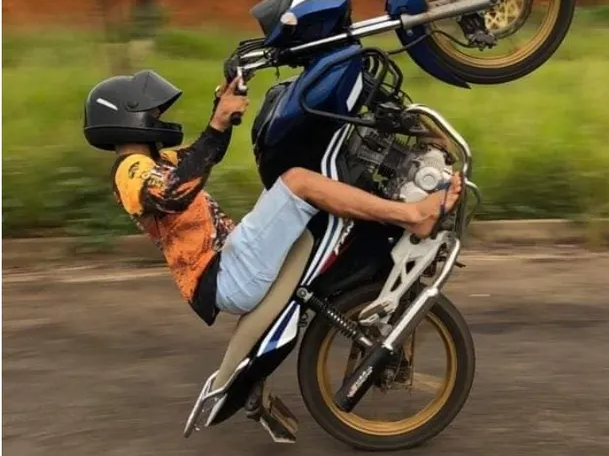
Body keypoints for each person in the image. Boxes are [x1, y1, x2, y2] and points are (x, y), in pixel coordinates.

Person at [82, 69, 461, 326]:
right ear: (132, 116)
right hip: (227, 275)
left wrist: (222, 115)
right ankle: (413, 215)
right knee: (297, 182)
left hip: (231, 264)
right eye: (155, 111)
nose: (162, 117)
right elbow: (172, 195)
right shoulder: (129, 169)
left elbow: (200, 157)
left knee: (307, 186)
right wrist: (216, 125)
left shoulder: (154, 161)